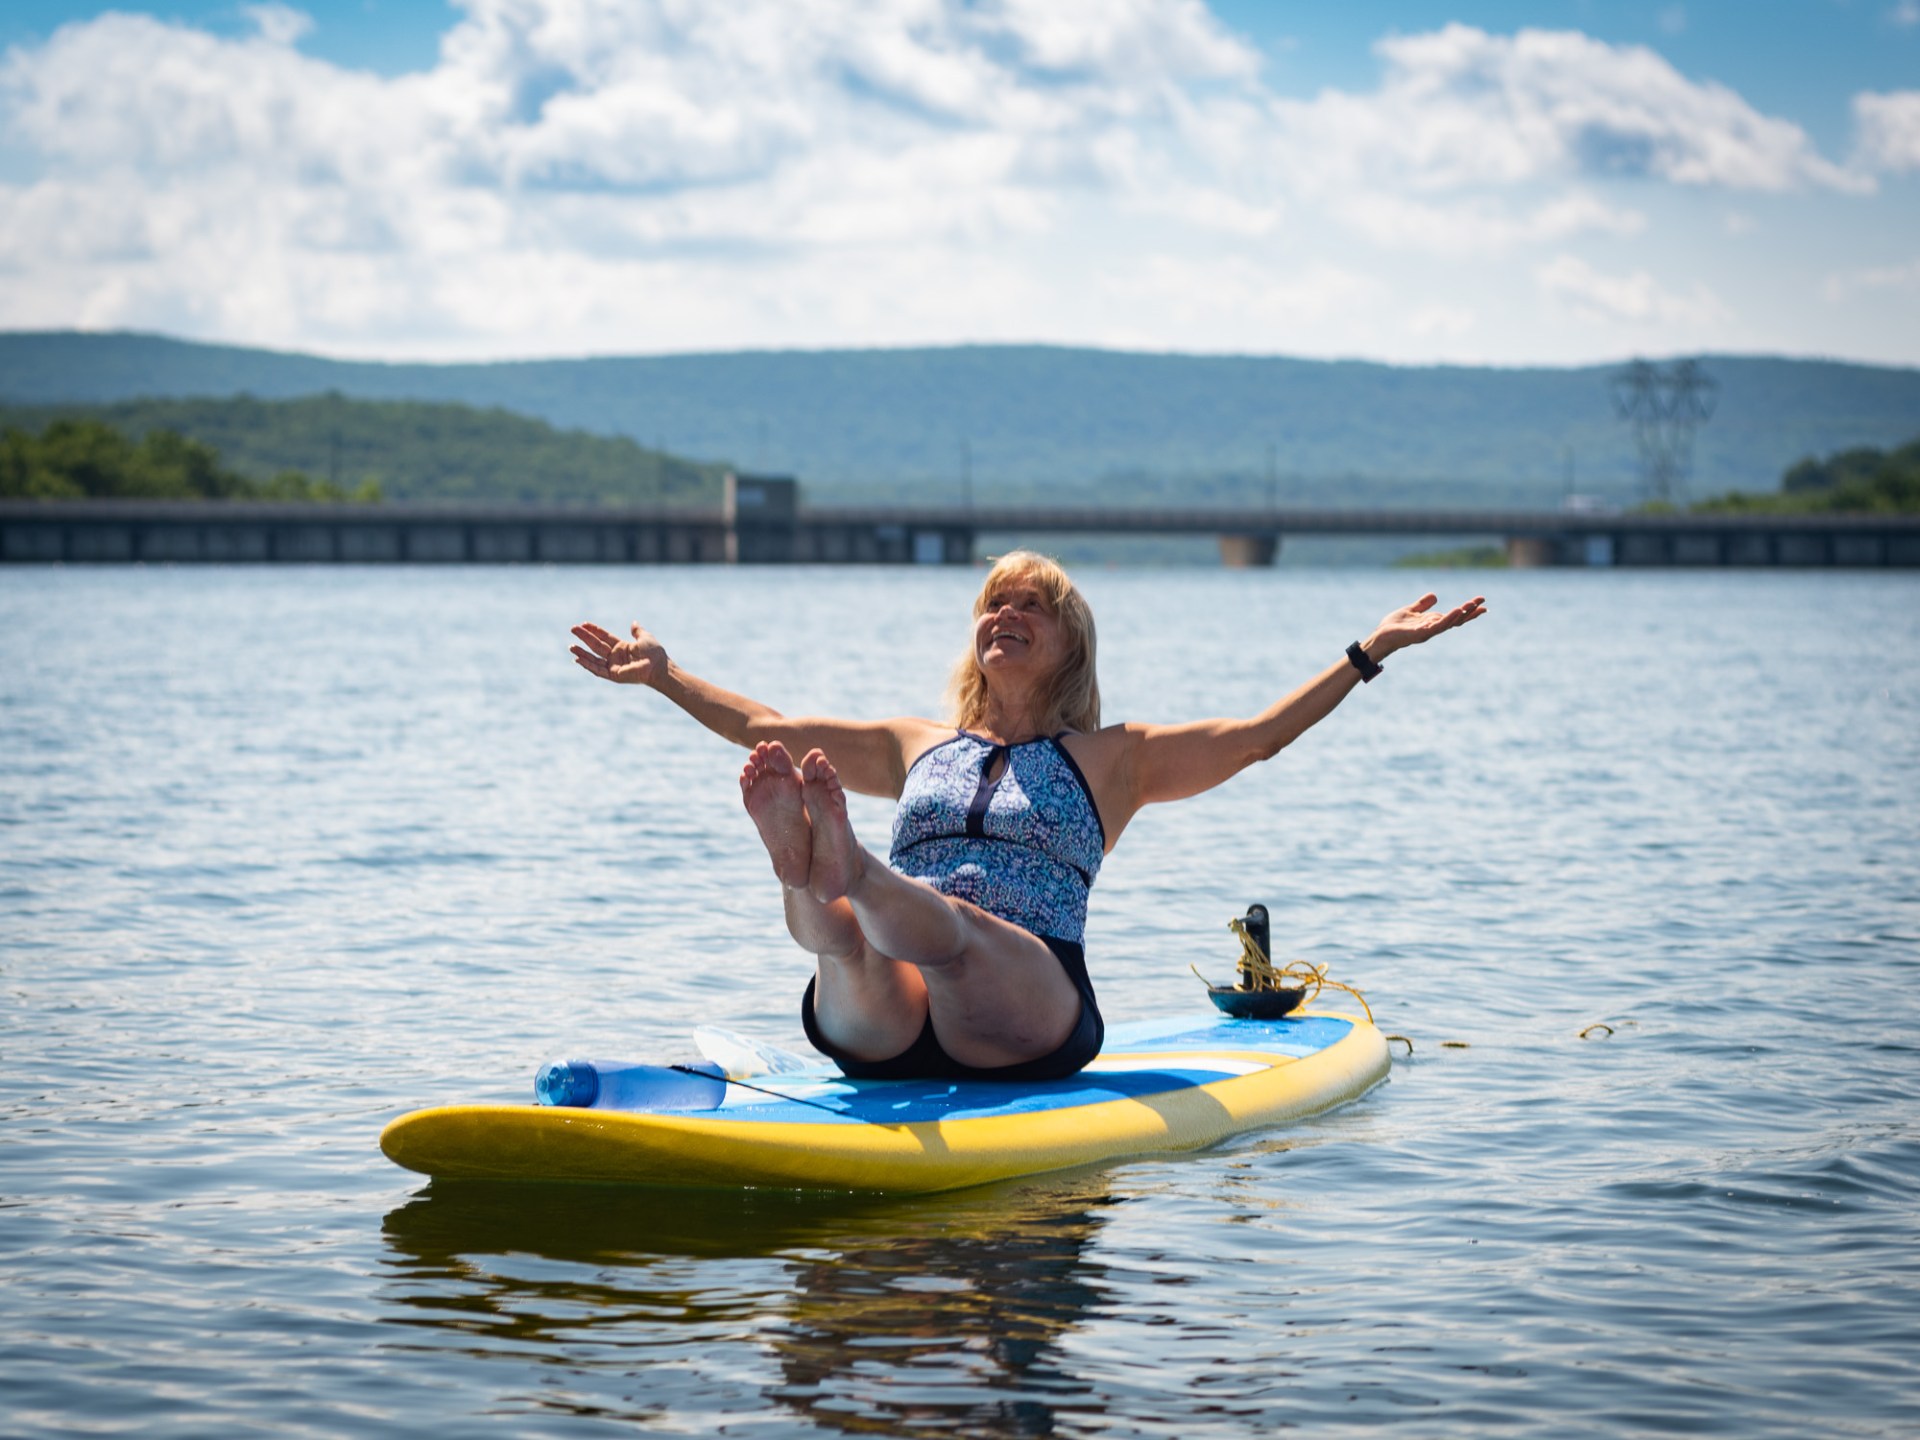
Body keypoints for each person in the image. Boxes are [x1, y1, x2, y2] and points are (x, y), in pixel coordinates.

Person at [570, 551, 1484, 1083]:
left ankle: (839, 867)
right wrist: (665, 675)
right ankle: (810, 869)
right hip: (886, 1019)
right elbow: (763, 727)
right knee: (842, 940)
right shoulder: (910, 742)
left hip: (1025, 1011)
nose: (1006, 613)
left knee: (956, 929)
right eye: (994, 603)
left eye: (1031, 606)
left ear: (1069, 645)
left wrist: (1371, 652)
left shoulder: (1113, 761)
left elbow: (1257, 737)